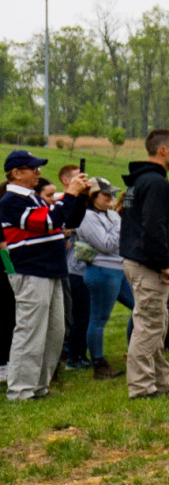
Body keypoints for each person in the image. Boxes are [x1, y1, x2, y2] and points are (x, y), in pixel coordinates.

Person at [3, 151, 86, 401]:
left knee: (54, 332)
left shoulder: (34, 199)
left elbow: (70, 218)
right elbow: (49, 222)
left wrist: (79, 197)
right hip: (31, 270)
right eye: (33, 168)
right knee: (30, 331)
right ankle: (20, 390)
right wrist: (70, 193)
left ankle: (39, 386)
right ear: (16, 174)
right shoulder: (11, 201)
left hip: (50, 270)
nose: (38, 173)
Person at [120, 130, 169, 396]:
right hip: (148, 264)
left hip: (139, 260)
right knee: (148, 326)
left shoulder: (141, 181)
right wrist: (164, 263)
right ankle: (141, 387)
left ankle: (162, 382)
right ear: (163, 150)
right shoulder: (156, 184)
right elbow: (153, 227)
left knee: (157, 325)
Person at [74, 183, 134, 381]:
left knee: (140, 307)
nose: (110, 198)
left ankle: (135, 350)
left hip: (117, 268)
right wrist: (120, 226)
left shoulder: (112, 215)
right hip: (102, 269)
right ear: (92, 196)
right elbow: (106, 245)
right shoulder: (87, 216)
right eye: (105, 194)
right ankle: (98, 363)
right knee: (99, 319)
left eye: (111, 194)